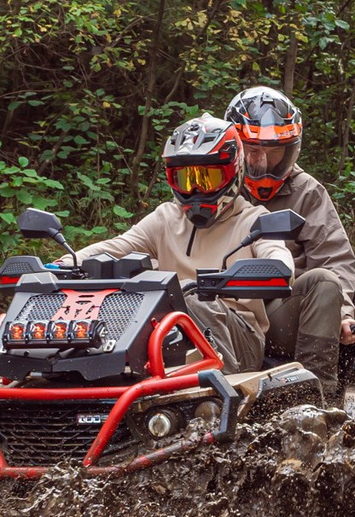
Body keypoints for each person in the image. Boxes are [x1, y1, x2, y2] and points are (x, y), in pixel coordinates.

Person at [69, 115, 293, 373]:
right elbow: (116, 247)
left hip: (240, 340)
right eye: (186, 179)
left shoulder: (254, 220)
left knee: (196, 298)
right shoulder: (165, 218)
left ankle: (225, 387)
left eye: (207, 178)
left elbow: (276, 253)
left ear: (233, 172)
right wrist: (63, 263)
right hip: (170, 331)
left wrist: (275, 267)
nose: (196, 189)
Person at [223, 85, 353, 390]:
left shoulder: (307, 191)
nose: (264, 163)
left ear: (290, 150)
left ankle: (315, 396)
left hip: (279, 313)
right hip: (222, 311)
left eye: (275, 153)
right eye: (254, 151)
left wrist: (344, 313)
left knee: (324, 281)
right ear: (234, 148)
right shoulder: (214, 187)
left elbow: (334, 257)